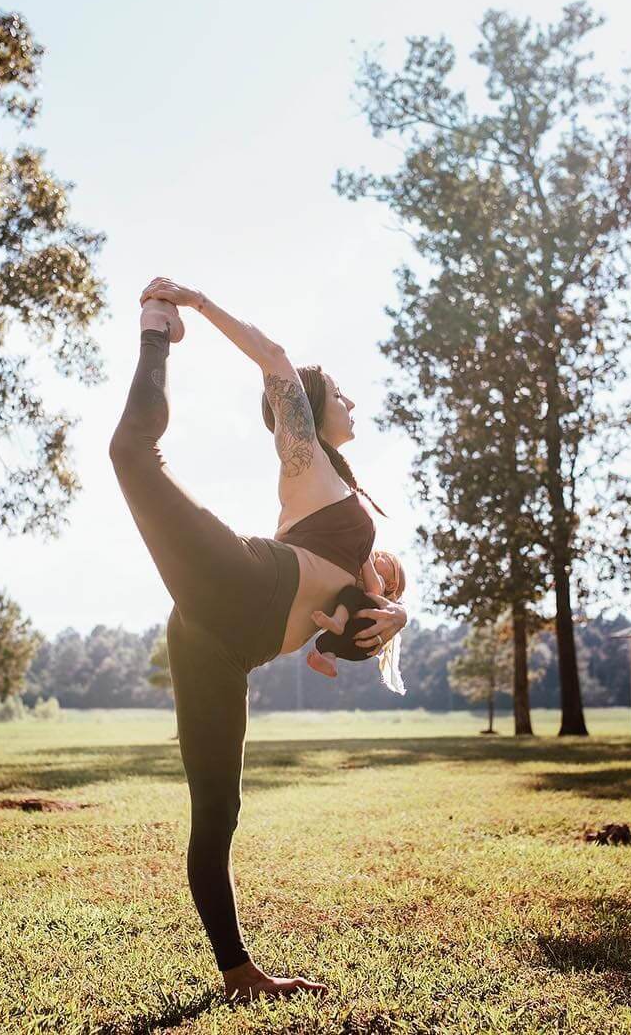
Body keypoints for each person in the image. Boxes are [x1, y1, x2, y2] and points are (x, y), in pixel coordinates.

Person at [108, 277, 408, 1001]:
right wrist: (192, 304)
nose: (352, 405)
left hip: (219, 642)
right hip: (241, 584)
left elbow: (354, 621)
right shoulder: (310, 469)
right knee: (131, 453)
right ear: (308, 409)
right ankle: (154, 328)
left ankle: (239, 973)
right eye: (341, 394)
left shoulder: (348, 522)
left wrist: (396, 613)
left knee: (219, 810)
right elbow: (275, 359)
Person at [306, 549, 407, 681]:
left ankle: (338, 622)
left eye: (385, 558)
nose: (378, 555)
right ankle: (329, 659)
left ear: (391, 584)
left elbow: (374, 590)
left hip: (369, 630)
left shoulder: (380, 583)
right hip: (354, 646)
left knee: (352, 593)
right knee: (325, 642)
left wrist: (366, 557)